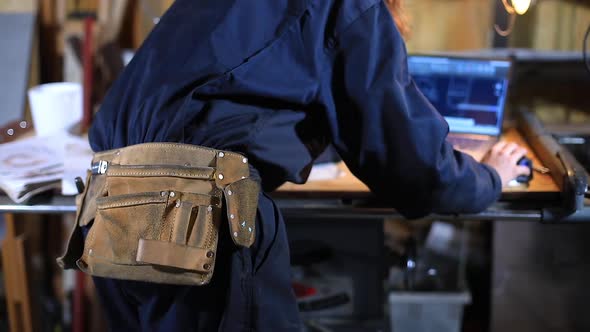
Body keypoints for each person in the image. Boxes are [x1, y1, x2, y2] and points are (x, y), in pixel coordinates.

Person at [83, 0, 530, 330]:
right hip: (196, 216)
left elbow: (232, 96)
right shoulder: (353, 6)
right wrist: (490, 176)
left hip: (113, 209)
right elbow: (414, 169)